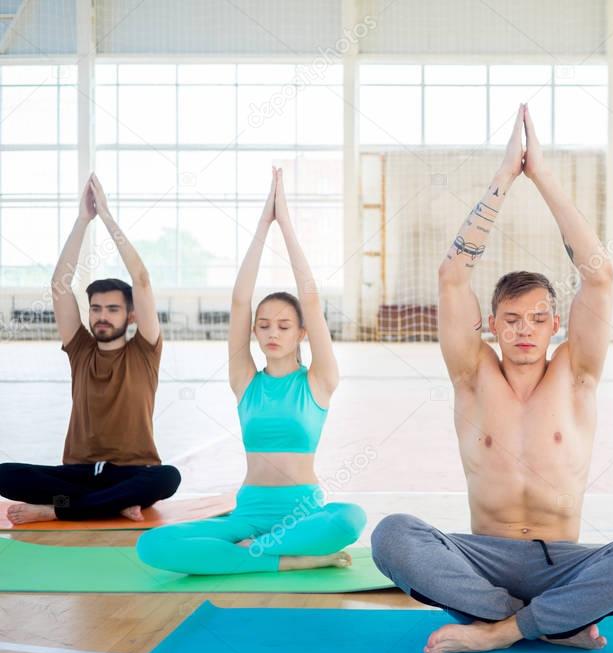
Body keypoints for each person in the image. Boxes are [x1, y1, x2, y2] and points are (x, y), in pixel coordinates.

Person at [371, 105, 613, 653]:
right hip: (481, 564)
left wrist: (540, 174)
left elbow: (600, 273)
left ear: (555, 325)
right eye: (511, 319)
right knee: (392, 535)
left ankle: (502, 631)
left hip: (563, 562)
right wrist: (503, 178)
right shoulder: (471, 375)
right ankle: (545, 622)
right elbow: (452, 275)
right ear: (491, 325)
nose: (525, 330)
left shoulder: (577, 374)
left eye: (539, 319)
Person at [136, 168, 365, 574]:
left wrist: (286, 225)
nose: (271, 333)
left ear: (301, 333)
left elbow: (310, 300)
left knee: (350, 519)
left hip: (303, 514)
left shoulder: (318, 381)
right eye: (264, 325)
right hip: (248, 513)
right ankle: (286, 559)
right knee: (152, 545)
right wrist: (263, 224)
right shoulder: (245, 382)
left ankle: (255, 553)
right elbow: (240, 302)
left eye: (283, 325)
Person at [0, 174, 180, 524]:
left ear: (129, 315)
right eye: (95, 308)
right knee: (5, 474)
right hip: (79, 473)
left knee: (168, 477)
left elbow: (141, 279)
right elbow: (59, 284)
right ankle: (111, 505)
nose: (101, 316)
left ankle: (58, 510)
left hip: (133, 470)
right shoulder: (81, 348)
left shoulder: (145, 351)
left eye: (112, 309)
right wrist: (84, 220)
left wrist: (108, 218)